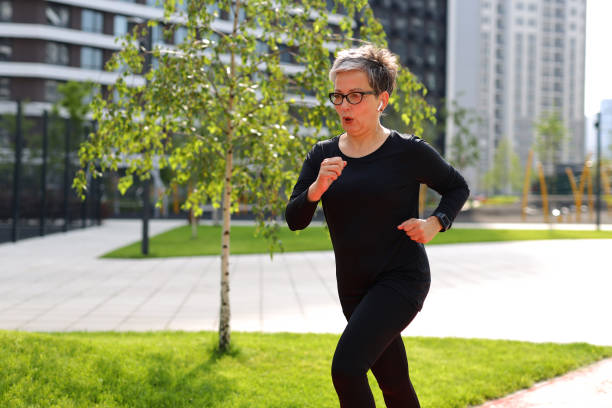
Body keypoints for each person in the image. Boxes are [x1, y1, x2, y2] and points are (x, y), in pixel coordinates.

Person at [284, 44, 469, 407]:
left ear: (381, 99)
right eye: (338, 96)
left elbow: (456, 186)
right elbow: (294, 220)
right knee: (394, 383)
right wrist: (316, 188)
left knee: (347, 369)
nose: (344, 107)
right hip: (352, 288)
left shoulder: (407, 151)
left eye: (355, 96)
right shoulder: (323, 155)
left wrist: (436, 222)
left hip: (402, 280)